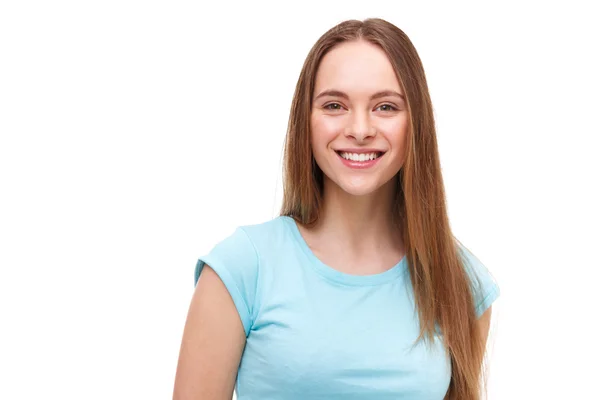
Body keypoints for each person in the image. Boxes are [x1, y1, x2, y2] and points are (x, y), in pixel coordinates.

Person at [173, 17, 500, 400]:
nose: (360, 128)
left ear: (417, 124)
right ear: (305, 122)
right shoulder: (243, 268)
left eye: (385, 107)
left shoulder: (461, 281)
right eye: (334, 105)